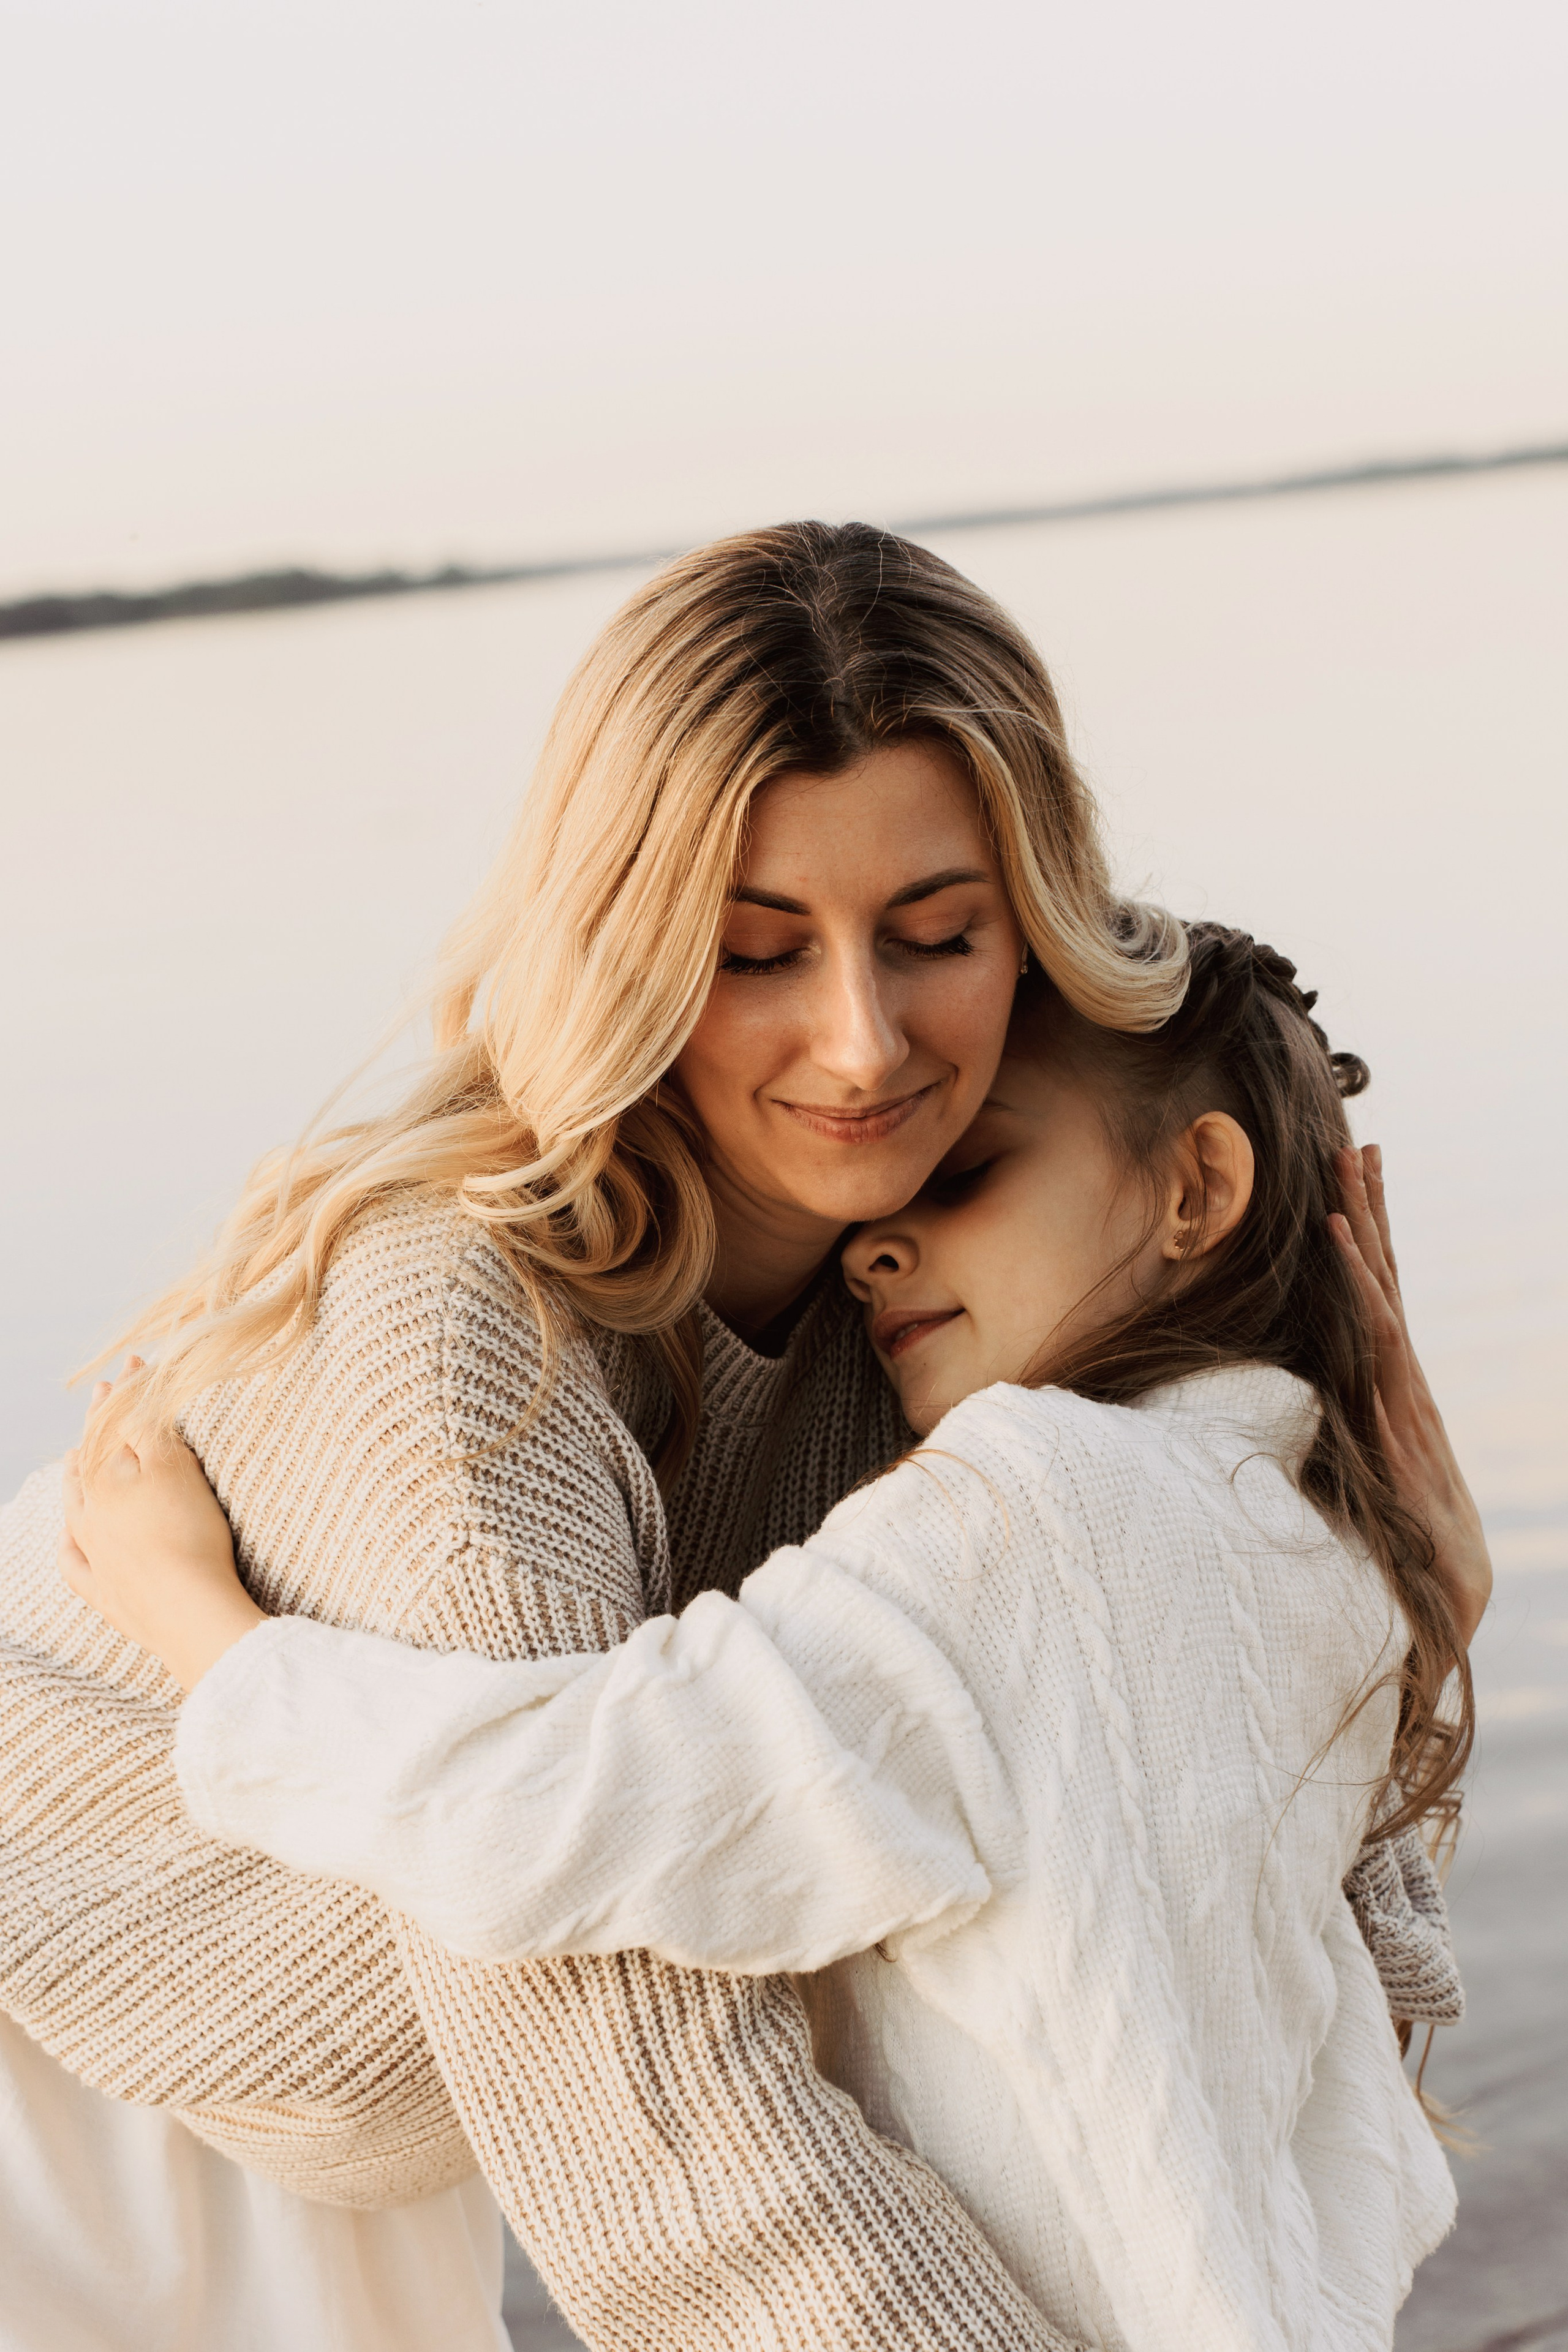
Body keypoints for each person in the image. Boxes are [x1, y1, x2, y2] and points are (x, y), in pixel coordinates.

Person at [1, 524, 1487, 2351]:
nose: (862, 1046)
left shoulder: (979, 1303)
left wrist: (1408, 1617)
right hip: (81, 2090)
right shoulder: (477, 1346)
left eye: (936, 936)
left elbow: (1258, 1913)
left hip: (404, 2101)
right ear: (626, 950)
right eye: (757, 952)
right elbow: (646, 2099)